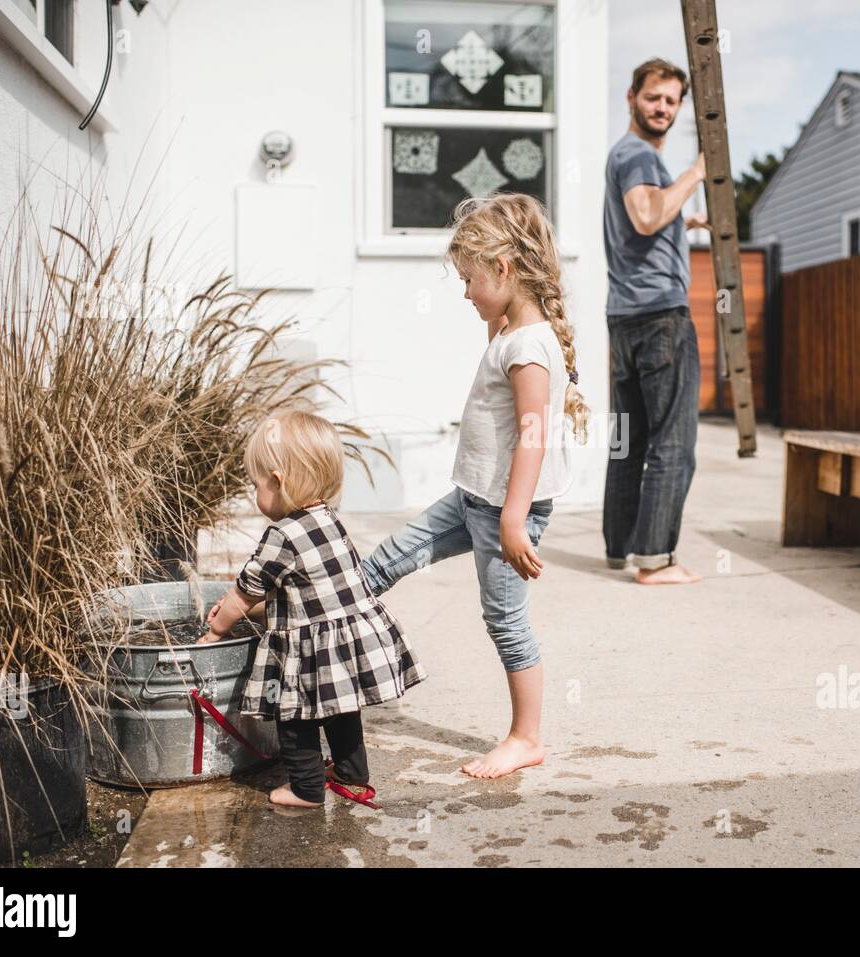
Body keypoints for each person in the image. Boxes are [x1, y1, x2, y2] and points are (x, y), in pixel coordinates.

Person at [359, 192, 589, 779]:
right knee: (387, 560)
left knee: (505, 620)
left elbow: (533, 435)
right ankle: (331, 639)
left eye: (469, 280)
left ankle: (525, 737)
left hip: (503, 512)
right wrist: (496, 315)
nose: (465, 293)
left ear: (504, 270)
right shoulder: (511, 333)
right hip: (471, 499)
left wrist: (514, 520)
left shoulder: (529, 347)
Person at [199, 410, 425, 809]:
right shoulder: (327, 519)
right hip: (346, 640)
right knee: (342, 710)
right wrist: (258, 613)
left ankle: (305, 788)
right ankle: (353, 776)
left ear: (278, 481)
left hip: (311, 650)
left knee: (295, 714)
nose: (255, 495)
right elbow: (307, 588)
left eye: (256, 485)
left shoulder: (280, 535)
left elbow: (242, 594)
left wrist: (216, 632)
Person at [602, 57, 708, 586]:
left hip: (623, 318)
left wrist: (682, 218)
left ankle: (620, 548)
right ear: (631, 97)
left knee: (629, 441)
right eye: (653, 97)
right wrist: (696, 174)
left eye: (671, 100)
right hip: (660, 316)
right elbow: (645, 215)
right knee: (674, 442)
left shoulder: (624, 157)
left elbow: (640, 220)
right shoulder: (639, 155)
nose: (662, 108)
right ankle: (656, 561)